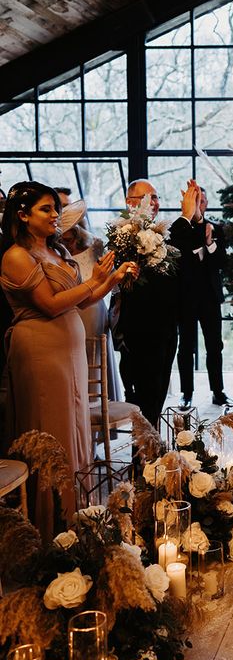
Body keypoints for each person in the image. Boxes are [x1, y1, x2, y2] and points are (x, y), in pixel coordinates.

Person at [0, 182, 136, 540]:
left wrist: (109, 281)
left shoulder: (57, 250)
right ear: (23, 215)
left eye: (55, 209)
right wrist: (94, 279)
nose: (55, 216)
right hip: (40, 352)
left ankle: (75, 516)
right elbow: (49, 304)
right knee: (51, 430)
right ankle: (48, 527)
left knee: (75, 430)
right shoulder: (17, 256)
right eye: (46, 209)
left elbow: (81, 301)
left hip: (69, 353)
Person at [112, 178, 198, 428]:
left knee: (157, 397)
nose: (157, 202)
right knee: (145, 400)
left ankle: (150, 456)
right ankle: (142, 460)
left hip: (166, 327)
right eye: (151, 197)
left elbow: (180, 263)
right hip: (141, 331)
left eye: (158, 197)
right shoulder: (126, 234)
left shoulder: (156, 233)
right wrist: (185, 217)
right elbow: (149, 278)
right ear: (131, 202)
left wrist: (193, 218)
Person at [172, 187, 230, 409]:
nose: (200, 205)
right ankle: (186, 393)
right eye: (196, 201)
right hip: (186, 297)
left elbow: (222, 263)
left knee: (215, 346)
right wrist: (197, 248)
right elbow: (181, 261)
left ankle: (218, 391)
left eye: (203, 201)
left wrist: (209, 243)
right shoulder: (178, 230)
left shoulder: (216, 228)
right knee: (186, 347)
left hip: (210, 297)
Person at [62, 217, 123, 401]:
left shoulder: (95, 245)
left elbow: (112, 281)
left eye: (70, 240)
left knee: (96, 357)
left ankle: (99, 403)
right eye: (63, 241)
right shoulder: (55, 252)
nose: (68, 245)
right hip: (68, 311)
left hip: (94, 310)